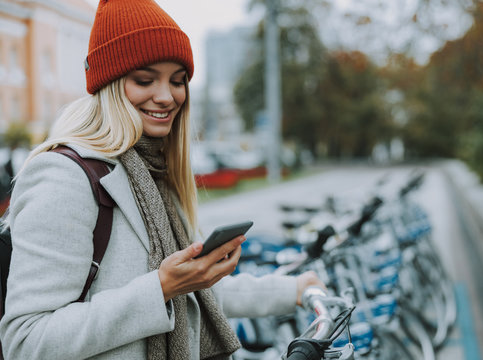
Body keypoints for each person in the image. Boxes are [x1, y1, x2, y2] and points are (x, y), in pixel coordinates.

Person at [0, 0, 325, 359]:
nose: (166, 96)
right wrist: (160, 288)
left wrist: (294, 289)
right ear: (109, 84)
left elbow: (197, 294)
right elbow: (26, 341)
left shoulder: (154, 172)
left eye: (177, 81)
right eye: (144, 80)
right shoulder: (64, 176)